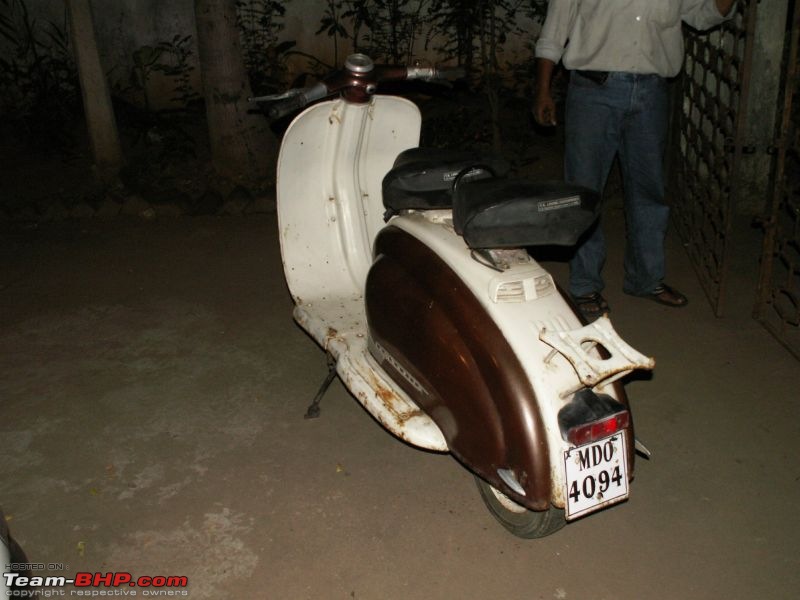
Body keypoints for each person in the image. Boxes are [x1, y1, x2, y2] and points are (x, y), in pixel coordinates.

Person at [534, 0, 736, 320]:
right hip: (592, 91)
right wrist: (542, 90)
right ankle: (585, 284)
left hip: (652, 92)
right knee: (584, 191)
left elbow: (704, 15)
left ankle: (646, 279)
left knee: (649, 190)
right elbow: (553, 32)